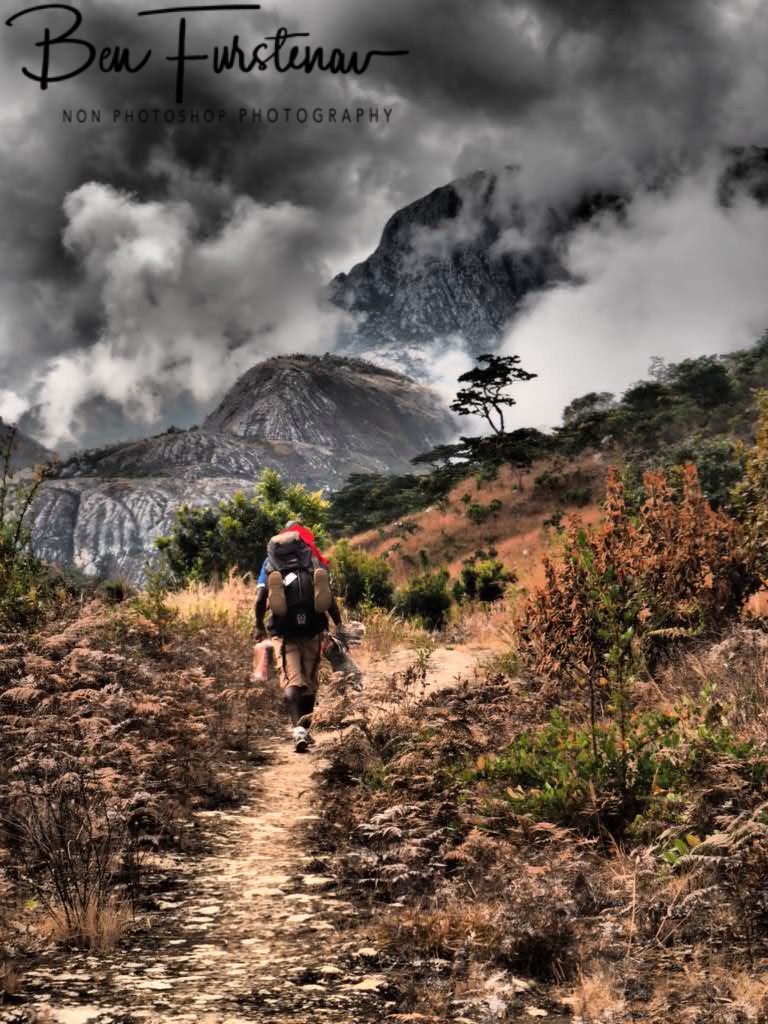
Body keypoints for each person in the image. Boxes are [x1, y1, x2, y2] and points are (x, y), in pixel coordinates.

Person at [254, 520, 345, 752]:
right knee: (310, 682)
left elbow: (260, 599)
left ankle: (298, 730)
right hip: (314, 628)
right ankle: (305, 729)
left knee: (291, 679)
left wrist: (259, 626)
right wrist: (340, 625)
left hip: (284, 632)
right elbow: (328, 597)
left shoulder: (270, 561)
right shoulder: (313, 558)